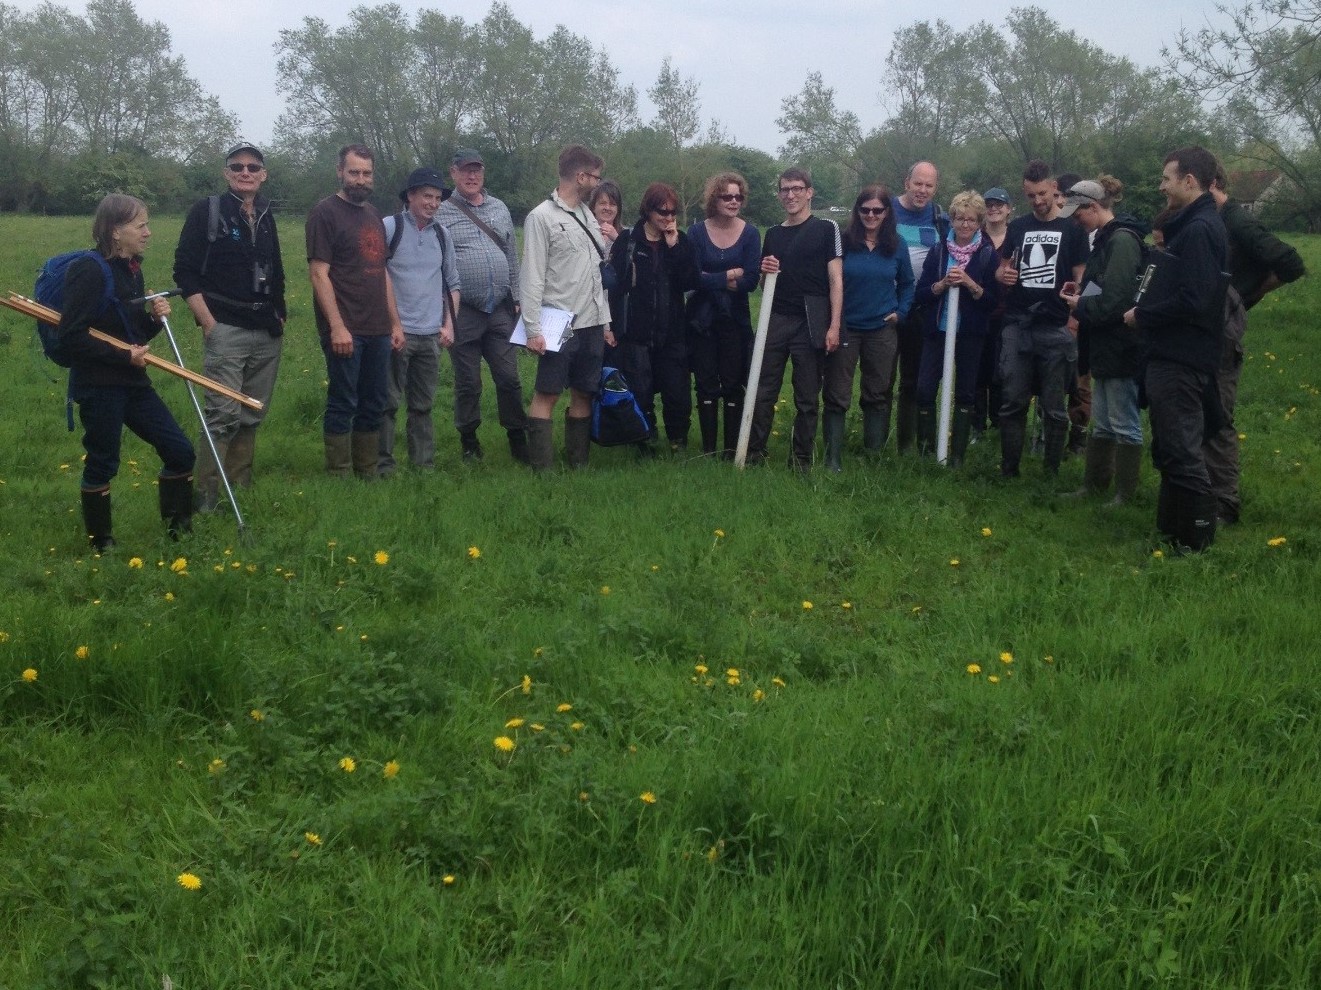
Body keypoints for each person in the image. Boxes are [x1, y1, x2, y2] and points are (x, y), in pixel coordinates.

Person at [56, 194, 194, 550]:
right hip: (99, 385)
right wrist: (123, 357)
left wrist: (154, 319)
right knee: (103, 462)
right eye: (141, 225)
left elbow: (132, 334)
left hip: (132, 381)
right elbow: (72, 336)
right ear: (115, 231)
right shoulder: (88, 270)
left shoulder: (132, 269)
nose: (148, 232)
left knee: (180, 451)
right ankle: (101, 543)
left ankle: (180, 535)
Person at [1123, 146, 1229, 552]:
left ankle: (1198, 541)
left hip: (1183, 357)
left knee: (1183, 449)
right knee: (1168, 446)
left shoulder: (1201, 230)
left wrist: (1143, 315)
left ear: (1189, 181)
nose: (1161, 186)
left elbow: (1195, 299)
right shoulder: (1190, 225)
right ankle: (1171, 530)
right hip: (1170, 354)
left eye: (1167, 178)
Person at [173, 141, 285, 512]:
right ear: (226, 173)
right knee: (222, 414)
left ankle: (240, 486)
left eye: (253, 168)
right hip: (226, 327)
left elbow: (277, 268)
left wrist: (280, 314)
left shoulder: (266, 213)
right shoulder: (208, 211)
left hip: (265, 329)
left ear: (263, 174)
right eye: (237, 167)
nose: (245, 173)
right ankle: (206, 496)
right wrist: (208, 322)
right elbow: (184, 271)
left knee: (251, 412)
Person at [1208, 166, 1306, 525]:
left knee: (1218, 415)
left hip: (1225, 328)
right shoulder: (1211, 220)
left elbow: (1290, 262)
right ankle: (1202, 493)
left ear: (1213, 184)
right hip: (1205, 327)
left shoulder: (1238, 221)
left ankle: (1225, 504)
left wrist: (1250, 294)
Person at [306, 143, 404, 478]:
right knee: (343, 400)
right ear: (340, 172)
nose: (360, 180)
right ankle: (340, 473)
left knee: (374, 401)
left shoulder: (373, 214)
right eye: (354, 173)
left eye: (366, 173)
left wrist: (395, 323)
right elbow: (319, 273)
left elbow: (383, 272)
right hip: (345, 327)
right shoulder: (324, 213)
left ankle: (368, 470)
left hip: (378, 328)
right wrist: (336, 326)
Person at [520, 144, 615, 470]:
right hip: (557, 322)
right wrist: (532, 329)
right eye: (596, 177)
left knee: (584, 392)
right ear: (581, 176)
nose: (599, 183)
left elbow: (594, 273)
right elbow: (531, 276)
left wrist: (605, 323)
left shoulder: (588, 215)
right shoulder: (541, 217)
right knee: (548, 394)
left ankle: (579, 464)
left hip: (591, 322)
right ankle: (542, 470)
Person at [994, 159, 1089, 477]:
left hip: (1055, 325)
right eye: (1031, 195)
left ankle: (1050, 473)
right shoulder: (1018, 227)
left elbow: (1081, 277)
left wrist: (1076, 315)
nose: (1037, 200)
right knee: (1013, 402)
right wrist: (1003, 275)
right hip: (1018, 323)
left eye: (1042, 193)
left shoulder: (1072, 230)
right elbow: (1002, 267)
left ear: (1053, 188)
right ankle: (1009, 470)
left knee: (1054, 407)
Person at [436, 148, 529, 463]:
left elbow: (511, 254)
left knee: (509, 378)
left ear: (483, 173)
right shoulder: (441, 211)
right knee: (468, 383)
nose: (471, 176)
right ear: (454, 173)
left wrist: (517, 296)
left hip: (500, 309)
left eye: (476, 170)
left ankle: (518, 437)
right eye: (465, 171)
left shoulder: (499, 208)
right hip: (463, 311)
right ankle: (469, 440)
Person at [747, 167, 843, 470]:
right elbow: (765, 287)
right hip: (776, 317)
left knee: (806, 395)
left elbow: (836, 280)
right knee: (763, 390)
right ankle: (754, 454)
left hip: (811, 319)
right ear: (779, 194)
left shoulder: (826, 228)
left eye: (797, 188)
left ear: (809, 192)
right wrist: (765, 271)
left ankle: (801, 460)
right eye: (785, 189)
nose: (790, 195)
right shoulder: (773, 234)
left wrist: (834, 325)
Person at [1058, 176, 1147, 503]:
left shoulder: (1121, 241)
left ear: (1093, 207)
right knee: (1104, 423)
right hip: (1105, 345)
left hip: (1122, 345)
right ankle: (1093, 487)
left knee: (1125, 423)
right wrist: (1081, 292)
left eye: (1078, 214)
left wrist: (1080, 305)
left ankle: (1125, 495)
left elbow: (1118, 300)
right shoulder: (1105, 239)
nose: (1076, 220)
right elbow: (1103, 288)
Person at [822, 184, 914, 469]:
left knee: (877, 392)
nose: (871, 215)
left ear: (887, 213)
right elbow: (831, 281)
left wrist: (901, 312)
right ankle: (832, 458)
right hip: (847, 326)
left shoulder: (897, 245)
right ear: (857, 211)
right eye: (865, 210)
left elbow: (908, 283)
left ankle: (873, 456)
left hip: (881, 329)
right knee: (837, 392)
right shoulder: (844, 242)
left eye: (877, 210)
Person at [608, 182, 700, 453]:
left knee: (677, 392)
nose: (668, 218)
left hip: (672, 331)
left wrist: (674, 249)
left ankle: (678, 441)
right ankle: (645, 441)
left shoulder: (681, 240)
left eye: (673, 213)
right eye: (663, 211)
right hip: (636, 331)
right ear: (648, 210)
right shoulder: (628, 241)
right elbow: (614, 288)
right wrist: (610, 326)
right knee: (641, 389)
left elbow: (691, 281)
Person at [378, 167, 459, 473]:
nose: (433, 203)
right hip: (397, 333)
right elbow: (378, 275)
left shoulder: (442, 234)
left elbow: (452, 283)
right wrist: (392, 325)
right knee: (387, 403)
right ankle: (383, 466)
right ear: (410, 196)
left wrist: (449, 325)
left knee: (423, 405)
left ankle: (423, 466)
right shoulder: (390, 227)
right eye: (427, 196)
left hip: (431, 335)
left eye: (438, 198)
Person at [912, 190, 999, 467]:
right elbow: (922, 294)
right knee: (925, 389)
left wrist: (970, 284)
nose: (964, 225)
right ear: (951, 221)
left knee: (965, 392)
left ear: (979, 223)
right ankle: (926, 451)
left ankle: (957, 456)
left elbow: (992, 302)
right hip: (937, 331)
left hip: (970, 334)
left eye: (971, 220)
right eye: (959, 219)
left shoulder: (987, 255)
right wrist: (942, 285)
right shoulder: (939, 252)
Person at [687, 171, 761, 458]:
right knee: (705, 382)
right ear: (714, 199)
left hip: (735, 321)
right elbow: (692, 278)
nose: (733, 201)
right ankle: (708, 450)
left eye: (738, 196)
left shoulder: (751, 234)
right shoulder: (695, 233)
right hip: (702, 322)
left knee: (732, 383)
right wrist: (730, 275)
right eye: (727, 196)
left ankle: (731, 450)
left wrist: (712, 278)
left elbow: (751, 281)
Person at [890, 161, 947, 452]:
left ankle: (906, 444)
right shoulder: (884, 210)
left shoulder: (940, 218)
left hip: (921, 310)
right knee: (881, 380)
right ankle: (875, 445)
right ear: (906, 182)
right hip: (886, 307)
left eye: (929, 185)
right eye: (918, 183)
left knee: (911, 379)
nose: (922, 190)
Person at [973, 186, 1012, 439]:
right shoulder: (976, 237)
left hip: (1008, 314)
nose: (994, 208)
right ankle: (976, 424)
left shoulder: (1016, 236)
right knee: (978, 370)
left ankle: (998, 422)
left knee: (1002, 371)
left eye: (999, 204)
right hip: (979, 311)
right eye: (989, 204)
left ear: (1009, 209)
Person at [589, 180, 625, 250]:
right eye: (602, 203)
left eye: (612, 204)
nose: (607, 208)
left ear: (618, 209)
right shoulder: (584, 232)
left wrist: (618, 239)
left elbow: (631, 259)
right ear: (593, 207)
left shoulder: (627, 235)